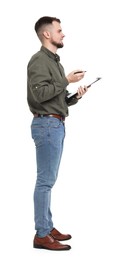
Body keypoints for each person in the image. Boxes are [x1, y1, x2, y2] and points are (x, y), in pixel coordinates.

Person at [27, 16, 88, 251]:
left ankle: (47, 225)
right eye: (59, 30)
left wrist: (76, 96)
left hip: (56, 124)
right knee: (45, 181)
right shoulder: (38, 61)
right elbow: (38, 96)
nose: (63, 34)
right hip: (46, 126)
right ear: (47, 34)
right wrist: (65, 80)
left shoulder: (56, 63)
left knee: (48, 181)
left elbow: (57, 99)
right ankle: (41, 234)